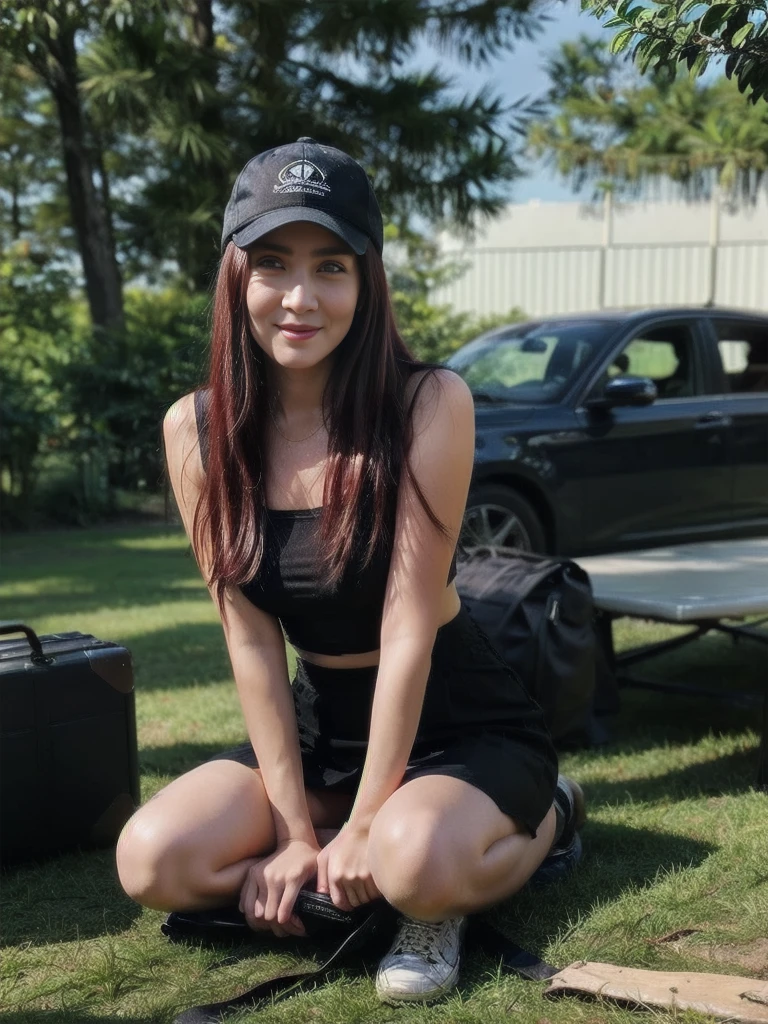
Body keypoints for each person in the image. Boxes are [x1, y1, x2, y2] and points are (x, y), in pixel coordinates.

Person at [115, 137, 584, 1005]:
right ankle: (352, 866)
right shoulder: (196, 429)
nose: (300, 297)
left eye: (330, 266)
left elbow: (407, 625)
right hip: (320, 725)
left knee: (409, 862)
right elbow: (249, 638)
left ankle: (543, 814)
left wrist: (370, 823)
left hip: (457, 718)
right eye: (272, 265)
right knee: (152, 860)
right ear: (235, 276)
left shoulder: (429, 403)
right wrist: (294, 833)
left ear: (366, 281)